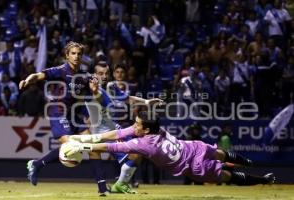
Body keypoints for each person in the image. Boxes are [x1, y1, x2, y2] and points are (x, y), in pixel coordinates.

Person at [66, 111, 276, 186]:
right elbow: (114, 134)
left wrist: (82, 145)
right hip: (192, 151)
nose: (134, 125)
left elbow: (109, 145)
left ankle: (259, 174)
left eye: (137, 124)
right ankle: (255, 170)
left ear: (146, 129)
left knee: (226, 174)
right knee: (224, 161)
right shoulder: (154, 128)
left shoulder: (141, 144)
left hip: (193, 161)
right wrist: (78, 137)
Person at [19, 42, 92, 189]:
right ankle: (37, 164)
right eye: (73, 53)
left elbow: (82, 98)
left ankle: (102, 186)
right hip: (57, 111)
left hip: (74, 113)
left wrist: (86, 114)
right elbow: (38, 75)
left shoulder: (84, 76)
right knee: (71, 145)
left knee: (89, 143)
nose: (76, 56)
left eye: (79, 54)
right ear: (67, 55)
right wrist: (28, 80)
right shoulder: (60, 71)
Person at [85, 62, 162, 194]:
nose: (104, 76)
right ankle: (112, 185)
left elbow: (127, 98)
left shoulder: (111, 86)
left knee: (137, 152)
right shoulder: (92, 89)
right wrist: (94, 92)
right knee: (133, 152)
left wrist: (146, 102)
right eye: (100, 73)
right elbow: (95, 99)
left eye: (106, 73)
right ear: (93, 75)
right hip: (106, 131)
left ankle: (117, 184)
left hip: (114, 127)